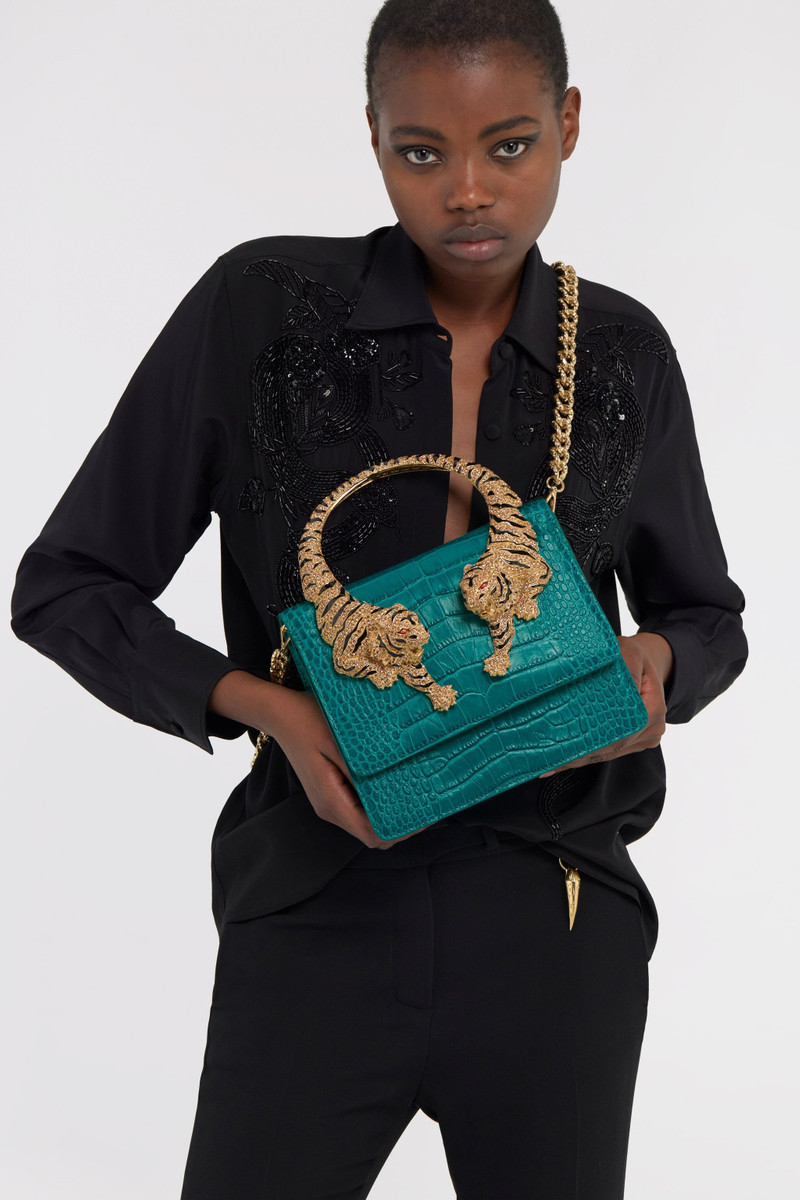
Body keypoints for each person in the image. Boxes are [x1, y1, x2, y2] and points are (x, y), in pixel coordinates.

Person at [10, 1, 747, 1196]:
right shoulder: (260, 309)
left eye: (508, 145)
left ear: (566, 124)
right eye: (420, 151)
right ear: (372, 136)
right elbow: (67, 586)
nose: (466, 190)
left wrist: (656, 670)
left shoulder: (620, 350)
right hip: (313, 895)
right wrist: (271, 710)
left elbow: (705, 615)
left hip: (554, 910)